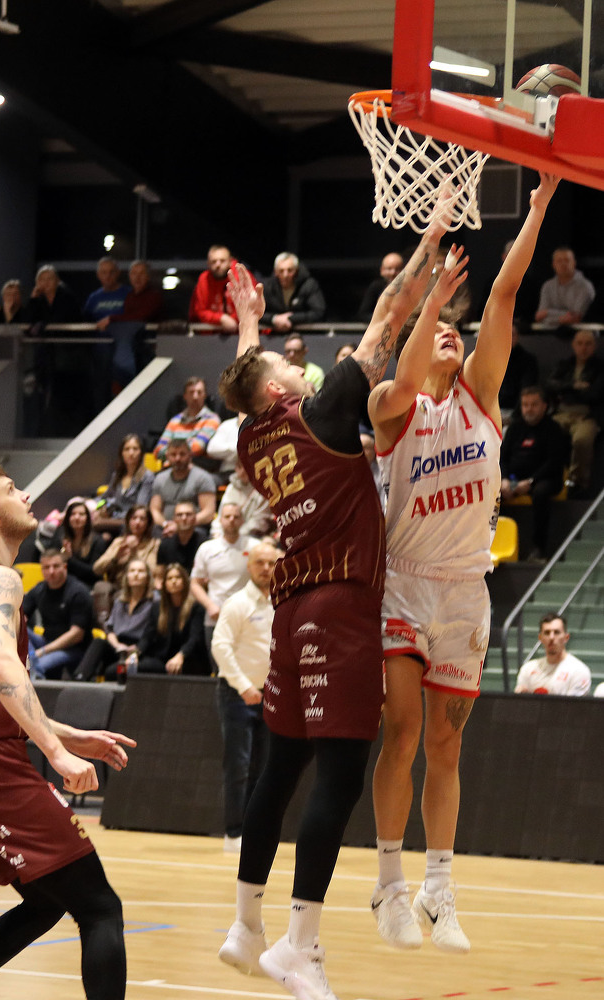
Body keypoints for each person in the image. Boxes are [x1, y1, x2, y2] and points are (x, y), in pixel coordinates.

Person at [217, 186, 454, 1000]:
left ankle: (245, 926)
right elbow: (388, 314)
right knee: (343, 774)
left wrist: (248, 324)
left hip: (290, 616)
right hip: (339, 604)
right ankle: (299, 946)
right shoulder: (320, 412)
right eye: (288, 364)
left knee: (279, 768)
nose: (300, 361)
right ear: (280, 390)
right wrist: (429, 241)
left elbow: (245, 383)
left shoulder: (252, 443)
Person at [367, 173, 558, 957]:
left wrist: (539, 205)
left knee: (445, 746)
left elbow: (505, 294)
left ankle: (438, 889)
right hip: (403, 584)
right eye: (440, 330)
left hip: (465, 593)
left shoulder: (481, 396)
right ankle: (388, 884)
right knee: (403, 733)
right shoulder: (393, 407)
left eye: (455, 329)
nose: (451, 333)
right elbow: (404, 372)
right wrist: (428, 306)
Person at [0, 461, 135, 1000]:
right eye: (11, 489)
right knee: (100, 908)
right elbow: (0, 665)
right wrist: (56, 753)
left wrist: (68, 735)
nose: (25, 495)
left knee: (49, 899)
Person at [211, 542, 279, 853]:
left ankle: (254, 831)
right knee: (237, 765)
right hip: (237, 696)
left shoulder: (282, 602)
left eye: (271, 563)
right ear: (249, 566)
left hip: (271, 695)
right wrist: (243, 686)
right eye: (260, 562)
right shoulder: (237, 603)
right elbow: (220, 646)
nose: (266, 568)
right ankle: (234, 832)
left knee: (262, 768)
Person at [500, 385, 567, 562]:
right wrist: (504, 479)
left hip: (544, 478)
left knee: (540, 493)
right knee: (490, 492)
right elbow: (502, 458)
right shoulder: (514, 428)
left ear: (544, 406)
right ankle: (487, 543)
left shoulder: (553, 429)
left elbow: (554, 462)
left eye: (534, 405)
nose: (529, 409)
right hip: (514, 479)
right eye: (525, 405)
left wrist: (531, 481)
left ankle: (539, 549)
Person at [75, 558, 157, 682]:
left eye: (140, 571)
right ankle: (79, 678)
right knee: (99, 642)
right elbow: (110, 629)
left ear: (147, 577)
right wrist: (117, 645)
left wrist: (136, 649)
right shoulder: (120, 600)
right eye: (132, 571)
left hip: (141, 648)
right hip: (118, 646)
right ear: (127, 576)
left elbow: (152, 634)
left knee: (112, 671)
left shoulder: (155, 601)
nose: (136, 574)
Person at [546, 328, 604, 497]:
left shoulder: (600, 367)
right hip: (561, 413)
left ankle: (577, 481)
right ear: (573, 345)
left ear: (594, 346)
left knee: (582, 440)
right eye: (580, 343)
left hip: (587, 416)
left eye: (588, 344)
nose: (583, 348)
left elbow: (595, 393)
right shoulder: (564, 364)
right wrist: (574, 385)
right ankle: (547, 476)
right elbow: (550, 385)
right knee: (546, 433)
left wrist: (565, 390)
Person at [24, 548, 94, 680]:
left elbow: (76, 635)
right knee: (16, 626)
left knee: (36, 665)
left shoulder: (78, 592)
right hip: (45, 642)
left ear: (65, 567)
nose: (51, 571)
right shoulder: (39, 589)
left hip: (73, 648)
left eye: (56, 566)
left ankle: (36, 684)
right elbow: (21, 616)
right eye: (46, 567)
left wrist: (41, 652)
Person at [190, 503, 251, 650]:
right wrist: (210, 606)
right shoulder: (207, 548)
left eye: (236, 517)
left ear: (242, 521)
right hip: (216, 618)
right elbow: (195, 583)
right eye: (227, 516)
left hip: (247, 618)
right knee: (217, 664)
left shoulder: (254, 547)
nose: (231, 520)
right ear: (220, 520)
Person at [134, 563, 208, 675]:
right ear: (165, 584)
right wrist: (135, 653)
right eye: (169, 578)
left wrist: (181, 655)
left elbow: (195, 638)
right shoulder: (157, 607)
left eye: (178, 577)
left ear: (184, 581)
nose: (174, 581)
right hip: (162, 658)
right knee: (121, 668)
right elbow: (147, 636)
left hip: (188, 658)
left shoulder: (196, 607)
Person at [149, 439, 217, 537]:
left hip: (194, 528)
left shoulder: (203, 478)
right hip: (165, 527)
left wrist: (180, 526)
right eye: (173, 454)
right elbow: (155, 510)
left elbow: (208, 513)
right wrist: (165, 524)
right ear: (167, 456)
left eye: (182, 454)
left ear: (190, 455)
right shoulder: (160, 478)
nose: (177, 458)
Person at [92, 433, 155, 536]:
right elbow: (105, 497)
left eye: (135, 449)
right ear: (121, 453)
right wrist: (97, 507)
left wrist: (112, 514)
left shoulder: (147, 476)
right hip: (114, 520)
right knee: (102, 535)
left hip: (132, 520)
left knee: (96, 523)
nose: (131, 453)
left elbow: (140, 508)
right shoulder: (118, 474)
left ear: (141, 453)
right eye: (127, 449)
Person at [515, 613, 591, 696]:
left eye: (556, 632)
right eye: (547, 633)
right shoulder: (528, 669)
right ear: (540, 638)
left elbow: (572, 704)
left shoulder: (579, 671)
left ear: (566, 637)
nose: (551, 637)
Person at [152, 376, 221, 463]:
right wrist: (182, 450)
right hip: (170, 468)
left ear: (205, 395)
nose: (195, 396)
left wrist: (172, 452)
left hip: (196, 467)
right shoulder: (175, 420)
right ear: (185, 396)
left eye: (199, 392)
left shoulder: (212, 419)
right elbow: (158, 450)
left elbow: (197, 448)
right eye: (191, 392)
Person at [93, 504, 159, 593]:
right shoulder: (119, 542)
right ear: (128, 521)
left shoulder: (154, 544)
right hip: (119, 587)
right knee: (101, 586)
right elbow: (97, 569)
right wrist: (115, 558)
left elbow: (153, 572)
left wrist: (134, 552)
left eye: (142, 519)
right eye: (134, 518)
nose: (137, 522)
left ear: (148, 523)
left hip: (143, 588)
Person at [260, 252, 326, 333]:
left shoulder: (309, 285)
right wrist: (274, 319)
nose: (285, 275)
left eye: (290, 270)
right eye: (281, 271)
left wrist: (291, 318)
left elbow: (318, 312)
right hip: (275, 335)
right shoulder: (268, 286)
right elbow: (256, 313)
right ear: (275, 272)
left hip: (304, 334)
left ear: (296, 270)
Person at [211, 459, 274, 540]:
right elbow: (221, 516)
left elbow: (259, 523)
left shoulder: (264, 489)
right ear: (235, 468)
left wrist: (235, 535)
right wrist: (217, 533)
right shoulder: (231, 487)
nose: (243, 471)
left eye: (247, 467)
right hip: (227, 534)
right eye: (239, 467)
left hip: (251, 535)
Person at [535, 246, 595, 328]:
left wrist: (547, 313)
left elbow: (576, 317)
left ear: (574, 263)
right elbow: (539, 316)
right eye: (559, 261)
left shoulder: (585, 286)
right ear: (553, 264)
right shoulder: (547, 286)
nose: (563, 264)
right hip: (549, 332)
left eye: (567, 260)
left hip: (578, 332)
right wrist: (562, 318)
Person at [54, 499, 108, 586]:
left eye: (81, 514)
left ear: (88, 518)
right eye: (73, 514)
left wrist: (70, 559)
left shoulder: (98, 540)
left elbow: (95, 572)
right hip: (63, 582)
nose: (77, 517)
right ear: (67, 518)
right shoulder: (60, 536)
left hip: (87, 584)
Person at [189, 245, 240, 333]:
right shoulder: (204, 279)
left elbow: (250, 307)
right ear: (208, 263)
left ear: (230, 261)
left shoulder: (241, 275)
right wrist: (221, 318)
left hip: (240, 332)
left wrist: (233, 320)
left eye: (222, 261)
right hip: (210, 334)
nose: (218, 264)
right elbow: (199, 311)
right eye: (214, 261)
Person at [498, 320, 540, 427]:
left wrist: (514, 417)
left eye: (512, 334)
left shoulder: (528, 360)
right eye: (505, 334)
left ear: (517, 337)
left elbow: (526, 391)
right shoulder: (492, 359)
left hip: (516, 412)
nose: (508, 338)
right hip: (493, 411)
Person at [155, 500, 207, 578]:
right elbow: (159, 576)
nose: (184, 518)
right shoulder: (165, 544)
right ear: (174, 519)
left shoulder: (205, 543)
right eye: (179, 515)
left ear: (195, 518)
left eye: (188, 514)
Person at [357, 252, 404, 324]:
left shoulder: (409, 288)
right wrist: (384, 319)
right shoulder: (376, 287)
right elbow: (363, 314)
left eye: (397, 269)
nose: (393, 273)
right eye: (389, 269)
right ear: (382, 270)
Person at [84, 258, 131, 329]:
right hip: (99, 335)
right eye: (104, 272)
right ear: (98, 275)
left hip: (124, 334)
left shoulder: (130, 293)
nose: (108, 276)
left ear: (118, 273)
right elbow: (85, 320)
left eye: (112, 272)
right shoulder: (93, 297)